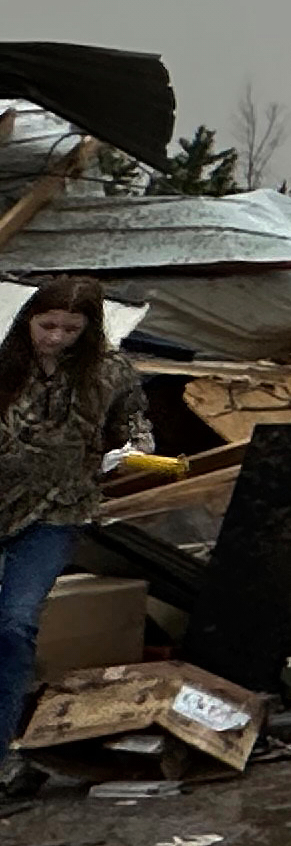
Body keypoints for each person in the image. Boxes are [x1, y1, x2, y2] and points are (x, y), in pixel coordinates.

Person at [0, 276, 142, 766]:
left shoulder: (109, 372)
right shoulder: (3, 361)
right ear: (28, 320)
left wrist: (134, 450)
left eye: (70, 329)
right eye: (47, 325)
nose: (56, 337)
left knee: (15, 624)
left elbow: (136, 426)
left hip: (58, 510)